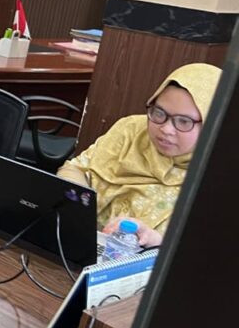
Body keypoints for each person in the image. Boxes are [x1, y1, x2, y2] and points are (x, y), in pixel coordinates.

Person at [58, 63, 222, 248]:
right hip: (76, 245)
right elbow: (76, 169)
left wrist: (155, 241)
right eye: (159, 113)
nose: (166, 129)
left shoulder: (220, 175)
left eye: (183, 121)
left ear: (212, 124)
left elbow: (209, 250)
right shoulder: (132, 131)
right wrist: (78, 207)